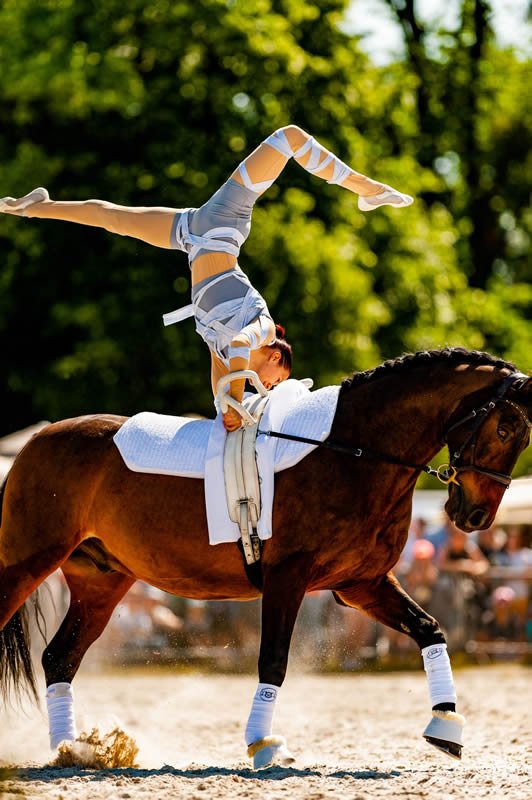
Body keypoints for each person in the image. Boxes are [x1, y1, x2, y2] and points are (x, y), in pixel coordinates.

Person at [1, 125, 413, 430]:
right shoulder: (262, 332)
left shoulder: (222, 349)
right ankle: (367, 188)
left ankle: (35, 207)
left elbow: (221, 383)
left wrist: (227, 410)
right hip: (221, 224)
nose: (266, 387)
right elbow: (239, 348)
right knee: (288, 137)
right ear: (275, 357)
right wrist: (236, 401)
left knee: (113, 217)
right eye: (274, 380)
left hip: (191, 234)